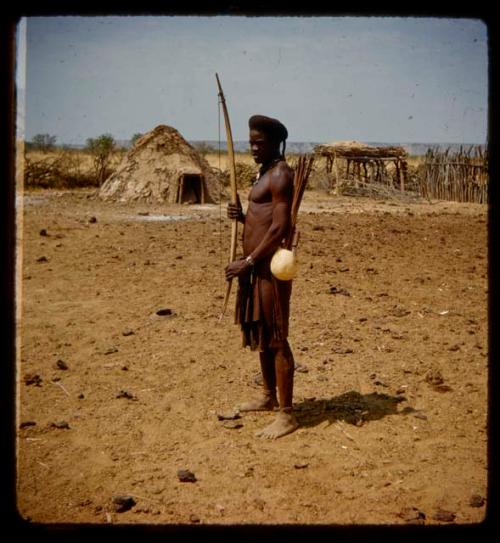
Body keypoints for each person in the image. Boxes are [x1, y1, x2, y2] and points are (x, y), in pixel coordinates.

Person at [225, 114, 299, 439]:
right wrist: (242, 218)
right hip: (256, 268)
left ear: (275, 143)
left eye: (259, 142)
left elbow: (281, 227)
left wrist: (250, 261)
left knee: (277, 337)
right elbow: (263, 220)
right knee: (262, 331)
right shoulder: (264, 172)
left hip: (270, 268)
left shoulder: (281, 174)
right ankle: (269, 397)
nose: (253, 147)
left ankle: (287, 414)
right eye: (250, 141)